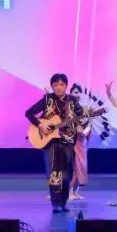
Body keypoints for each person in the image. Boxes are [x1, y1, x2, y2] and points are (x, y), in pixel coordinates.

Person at [25, 73, 84, 212]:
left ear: (66, 86)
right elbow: (29, 113)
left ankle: (63, 202)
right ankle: (56, 203)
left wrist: (83, 117)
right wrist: (40, 125)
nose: (58, 87)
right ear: (52, 86)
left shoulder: (72, 100)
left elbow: (82, 116)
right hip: (50, 141)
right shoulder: (47, 99)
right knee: (54, 172)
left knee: (67, 172)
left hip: (68, 140)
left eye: (62, 84)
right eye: (56, 84)